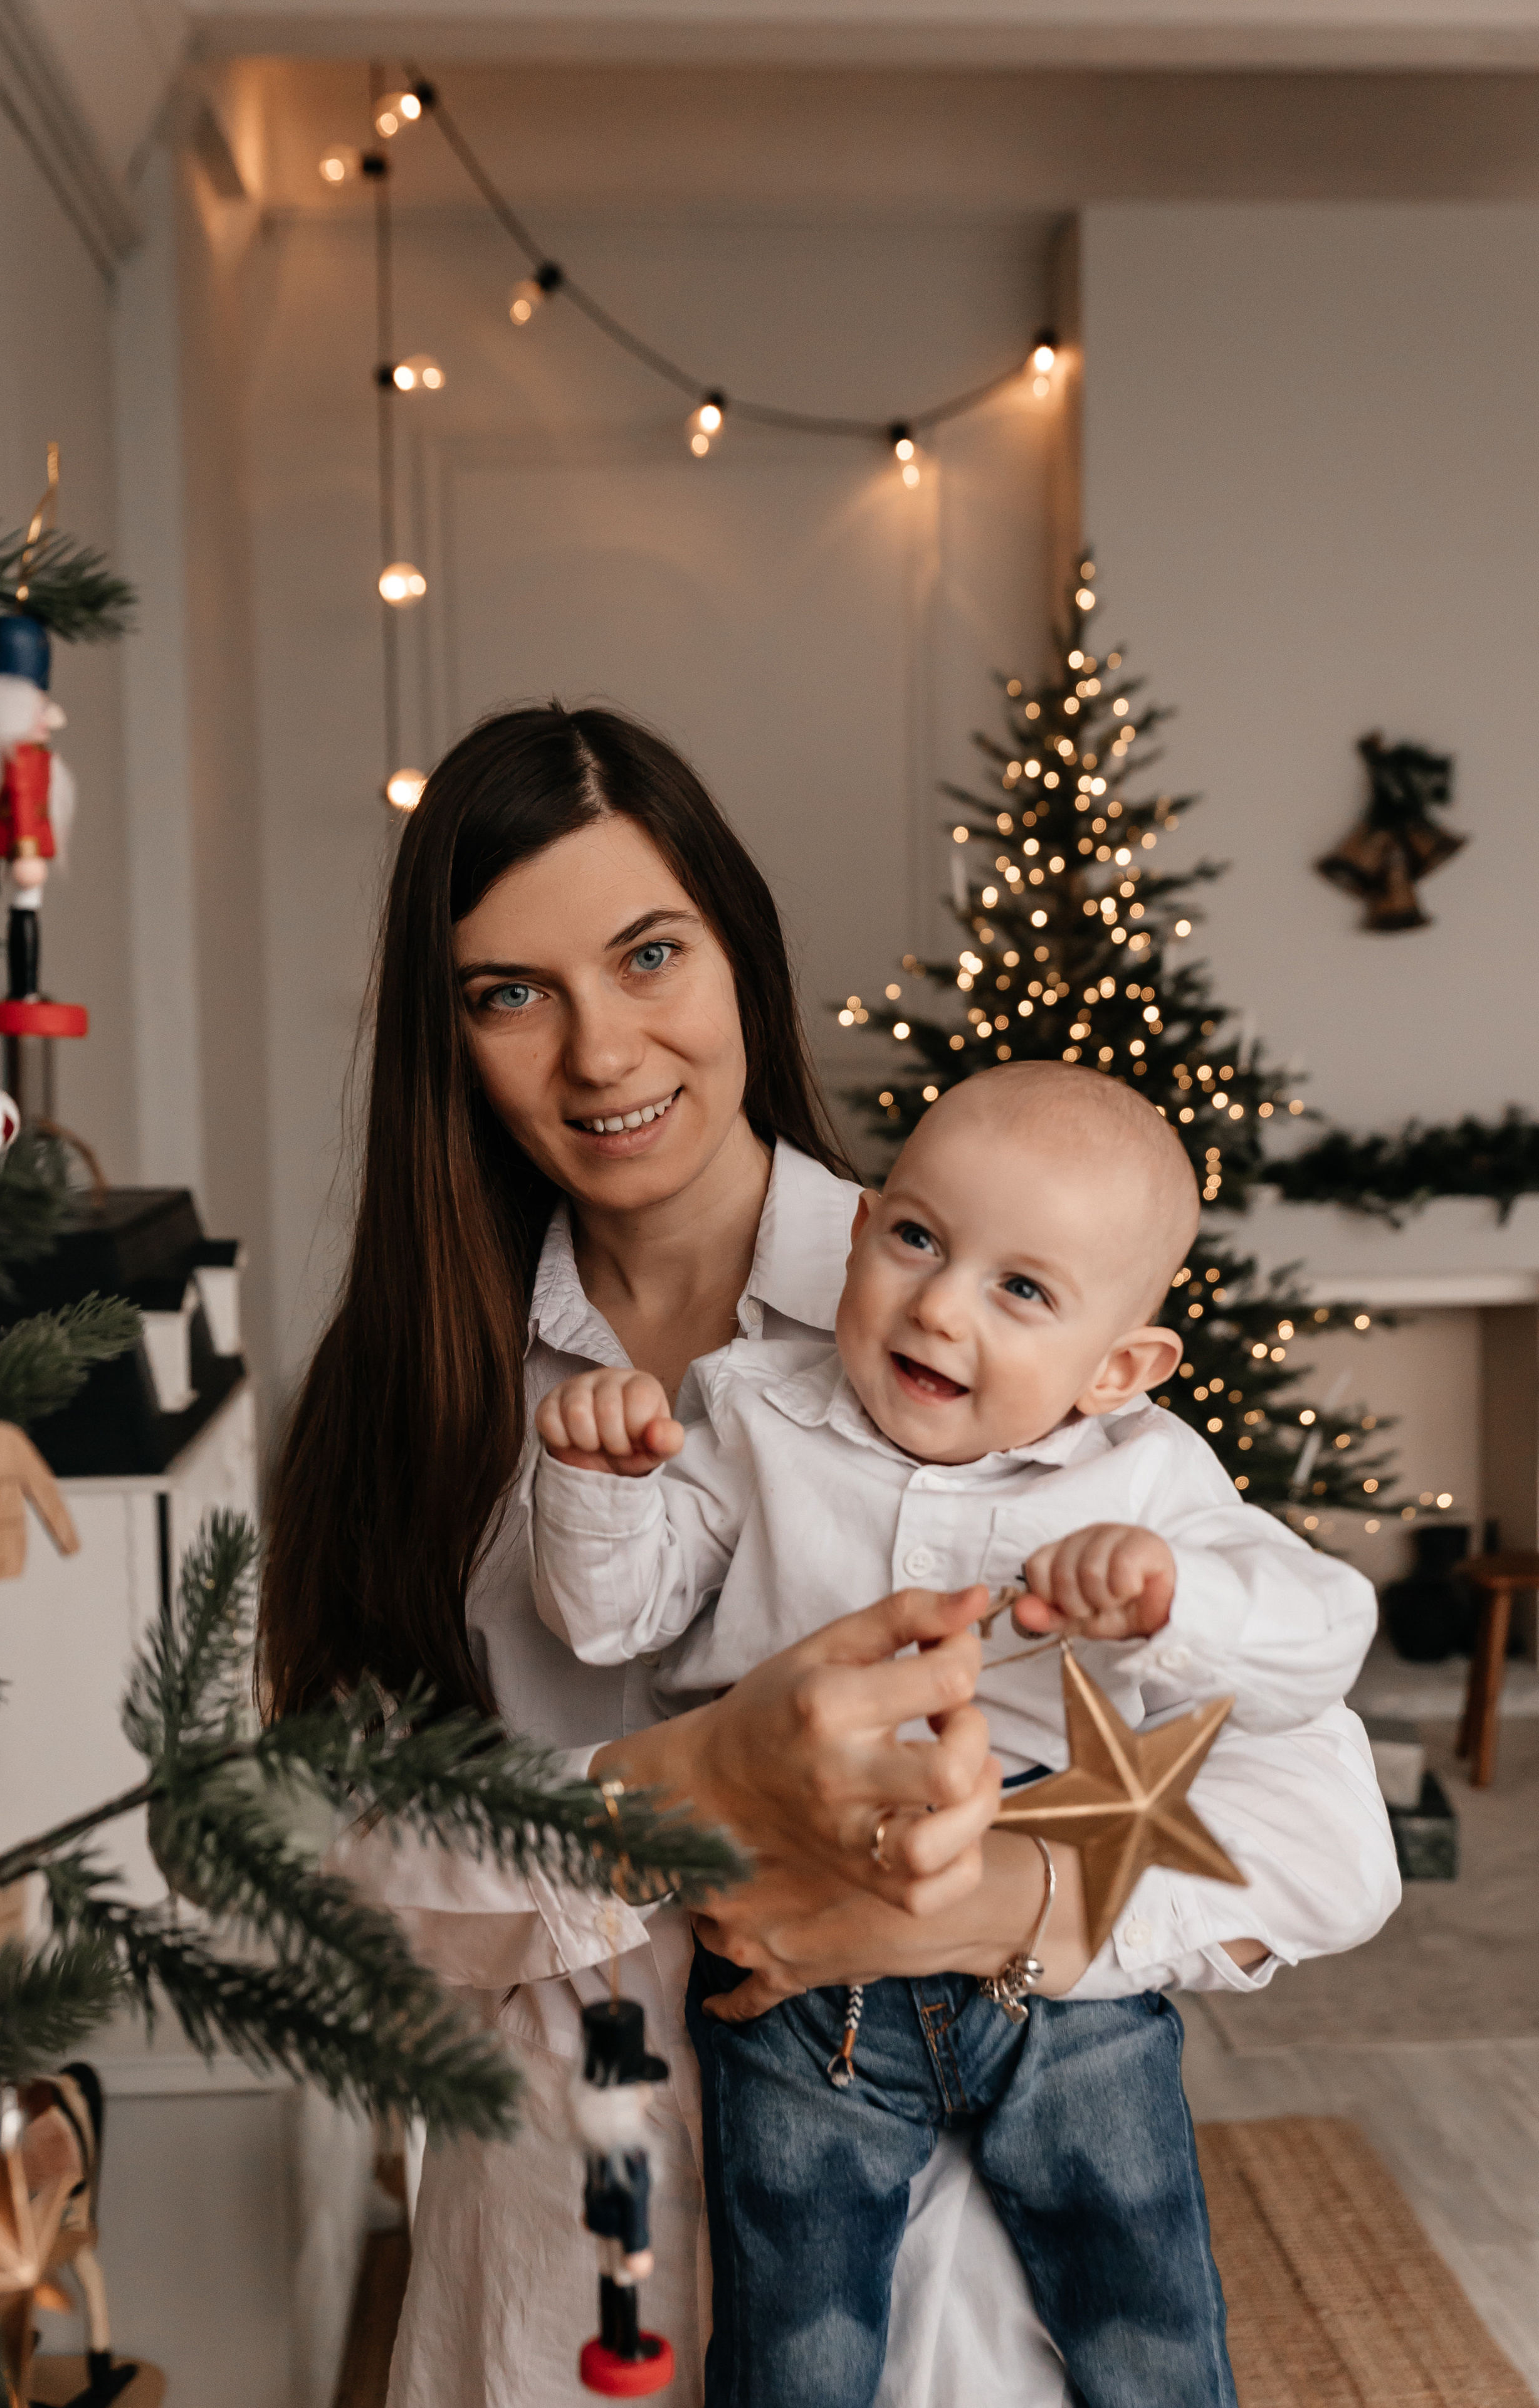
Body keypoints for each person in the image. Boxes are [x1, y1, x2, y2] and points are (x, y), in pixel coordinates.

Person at [258, 703, 1400, 2408]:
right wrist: (673, 1798)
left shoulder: (1007, 1312)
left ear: (741, 951)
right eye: (511, 992)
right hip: (567, 2265)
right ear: (451, 1033)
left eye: (651, 955)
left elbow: (1323, 1833)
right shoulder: (410, 1395)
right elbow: (321, 1879)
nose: (601, 1054)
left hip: (958, 2282)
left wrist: (988, 1906)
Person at [528, 1062, 1378, 2406]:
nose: (936, 1304)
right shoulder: (749, 1412)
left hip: (1055, 1975)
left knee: (1143, 2308)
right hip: (794, 1978)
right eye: (916, 1239)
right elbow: (607, 1619)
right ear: (858, 1232)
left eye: (1019, 1289)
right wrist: (592, 1479)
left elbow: (1323, 1632)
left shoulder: (1146, 1477)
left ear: (1118, 1367)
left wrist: (1174, 1596)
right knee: (791, 2334)